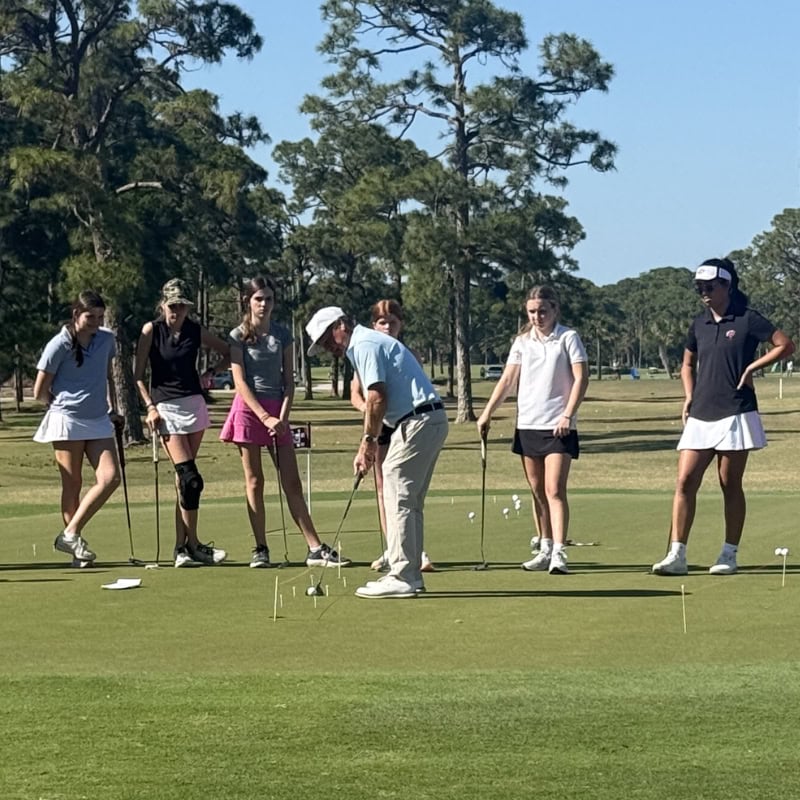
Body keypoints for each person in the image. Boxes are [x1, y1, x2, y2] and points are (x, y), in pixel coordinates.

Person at [652, 258, 794, 576]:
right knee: (685, 481)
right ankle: (677, 555)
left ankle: (729, 553)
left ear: (726, 286)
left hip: (736, 410)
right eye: (699, 287)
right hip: (702, 412)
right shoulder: (699, 324)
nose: (704, 292)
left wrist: (752, 367)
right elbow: (687, 364)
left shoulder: (746, 319)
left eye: (709, 286)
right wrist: (689, 395)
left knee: (729, 483)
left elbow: (785, 345)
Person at [306, 306, 448, 599]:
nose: (328, 347)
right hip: (427, 419)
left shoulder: (364, 343)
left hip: (417, 420)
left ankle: (403, 576)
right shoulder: (364, 343)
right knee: (408, 501)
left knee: (398, 496)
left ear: (341, 325)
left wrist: (368, 442)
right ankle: (409, 574)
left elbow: (376, 396)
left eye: (327, 338)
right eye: (322, 344)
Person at [220, 276, 349, 569]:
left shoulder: (282, 335)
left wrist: (281, 417)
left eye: (269, 299)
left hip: (277, 413)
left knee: (291, 481)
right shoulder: (238, 335)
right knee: (255, 481)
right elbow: (240, 382)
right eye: (259, 299)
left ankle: (314, 548)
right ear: (248, 301)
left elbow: (289, 381)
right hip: (249, 411)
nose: (264, 304)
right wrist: (264, 416)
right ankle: (261, 548)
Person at [476, 286, 589, 575]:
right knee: (537, 490)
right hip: (528, 423)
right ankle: (545, 546)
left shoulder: (568, 337)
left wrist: (568, 414)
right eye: (532, 312)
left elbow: (581, 378)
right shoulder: (522, 342)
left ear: (554, 310)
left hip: (559, 426)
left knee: (554, 490)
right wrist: (487, 413)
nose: (537, 316)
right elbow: (507, 380)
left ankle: (560, 552)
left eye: (542, 311)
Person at [134, 278, 230, 568]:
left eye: (182, 306)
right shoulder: (151, 330)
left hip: (194, 406)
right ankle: (193, 544)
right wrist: (149, 407)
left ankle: (182, 548)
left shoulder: (194, 330)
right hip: (166, 409)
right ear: (163, 305)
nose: (177, 311)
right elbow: (138, 375)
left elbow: (228, 352)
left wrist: (210, 373)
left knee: (184, 482)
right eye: (173, 305)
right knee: (191, 479)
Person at [33, 291, 122, 565]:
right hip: (67, 420)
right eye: (90, 317)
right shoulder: (59, 344)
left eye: (100, 317)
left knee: (110, 478)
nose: (96, 322)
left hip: (99, 419)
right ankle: (76, 550)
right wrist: (59, 405)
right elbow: (39, 391)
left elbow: (107, 375)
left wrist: (113, 408)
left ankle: (69, 534)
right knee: (73, 483)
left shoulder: (106, 339)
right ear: (76, 315)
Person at [349, 299, 434, 574]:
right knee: (384, 487)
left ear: (401, 325)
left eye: (392, 322)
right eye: (382, 322)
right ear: (374, 325)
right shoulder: (366, 351)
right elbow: (357, 394)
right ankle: (392, 547)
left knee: (405, 490)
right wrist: (369, 412)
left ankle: (412, 552)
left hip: (406, 421)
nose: (387, 327)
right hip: (379, 426)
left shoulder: (405, 353)